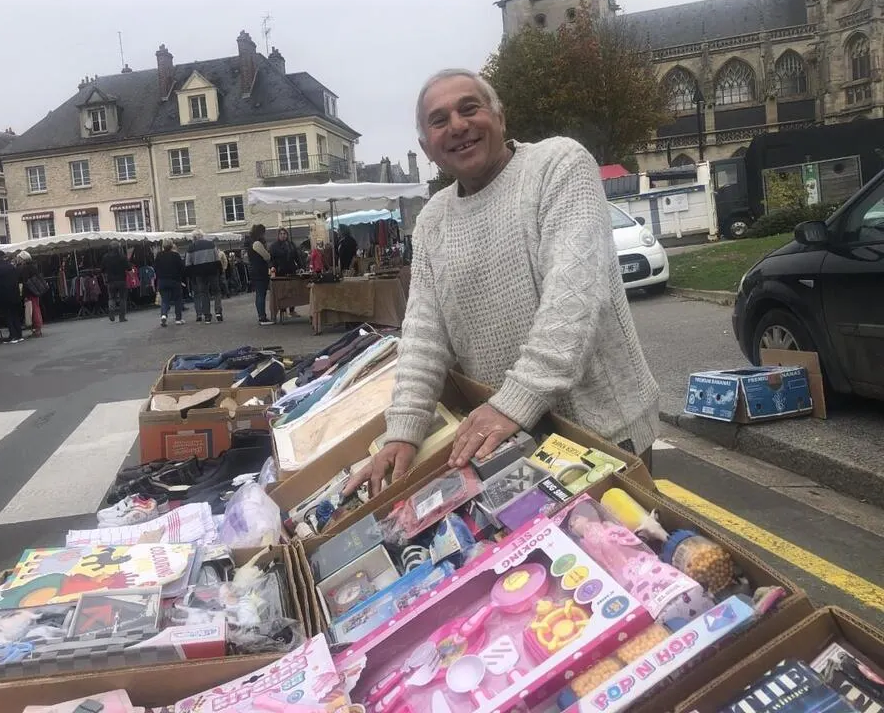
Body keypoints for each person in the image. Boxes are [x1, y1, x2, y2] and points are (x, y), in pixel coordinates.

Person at [345, 68, 660, 498]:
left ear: (500, 116)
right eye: (439, 120)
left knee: (625, 537)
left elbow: (574, 303)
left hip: (603, 433)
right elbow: (423, 338)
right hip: (515, 443)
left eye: (469, 108)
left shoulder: (559, 165)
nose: (458, 125)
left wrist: (514, 401)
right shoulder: (433, 220)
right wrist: (402, 431)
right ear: (427, 148)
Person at [184, 229, 223, 324]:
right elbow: (217, 259)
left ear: (193, 238)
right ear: (202, 236)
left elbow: (188, 263)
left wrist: (191, 276)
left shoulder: (191, 248)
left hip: (199, 274)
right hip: (212, 272)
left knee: (203, 293)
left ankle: (207, 316)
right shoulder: (211, 244)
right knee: (216, 292)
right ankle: (218, 312)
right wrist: (220, 271)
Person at [0, 252, 23, 344]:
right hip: (14, 294)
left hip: (3, 295)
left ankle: (13, 335)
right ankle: (19, 334)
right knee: (15, 315)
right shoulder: (11, 266)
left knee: (8, 316)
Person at [269, 227, 303, 319]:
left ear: (287, 235)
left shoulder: (291, 244)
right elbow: (271, 259)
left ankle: (292, 310)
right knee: (282, 292)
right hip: (280, 271)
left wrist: (301, 267)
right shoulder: (274, 246)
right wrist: (272, 267)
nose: (283, 235)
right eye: (281, 234)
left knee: (292, 291)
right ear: (278, 235)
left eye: (284, 234)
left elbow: (297, 257)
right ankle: (283, 311)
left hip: (291, 270)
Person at [154, 239, 185, 327]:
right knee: (177, 300)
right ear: (171, 245)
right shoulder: (176, 255)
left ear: (163, 246)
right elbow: (181, 268)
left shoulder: (159, 255)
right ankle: (178, 319)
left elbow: (155, 267)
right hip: (175, 281)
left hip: (163, 281)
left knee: (165, 300)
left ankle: (164, 315)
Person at [247, 224, 274, 326]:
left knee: (260, 294)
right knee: (261, 294)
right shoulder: (257, 244)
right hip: (259, 272)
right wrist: (267, 252)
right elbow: (267, 256)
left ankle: (261, 316)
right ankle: (262, 317)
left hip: (255, 271)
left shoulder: (252, 243)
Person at [15, 250, 44, 338]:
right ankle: (37, 328)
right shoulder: (33, 266)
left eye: (19, 258)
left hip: (30, 292)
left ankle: (37, 329)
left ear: (23, 259)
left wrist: (24, 295)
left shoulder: (25, 269)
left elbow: (25, 282)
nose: (18, 260)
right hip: (35, 291)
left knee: (33, 310)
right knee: (36, 308)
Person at [101, 242, 132, 322]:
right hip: (122, 280)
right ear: (119, 248)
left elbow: (102, 270)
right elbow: (129, 268)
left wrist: (105, 279)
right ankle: (122, 317)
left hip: (111, 281)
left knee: (112, 298)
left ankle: (111, 310)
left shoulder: (105, 257)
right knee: (122, 299)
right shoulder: (122, 257)